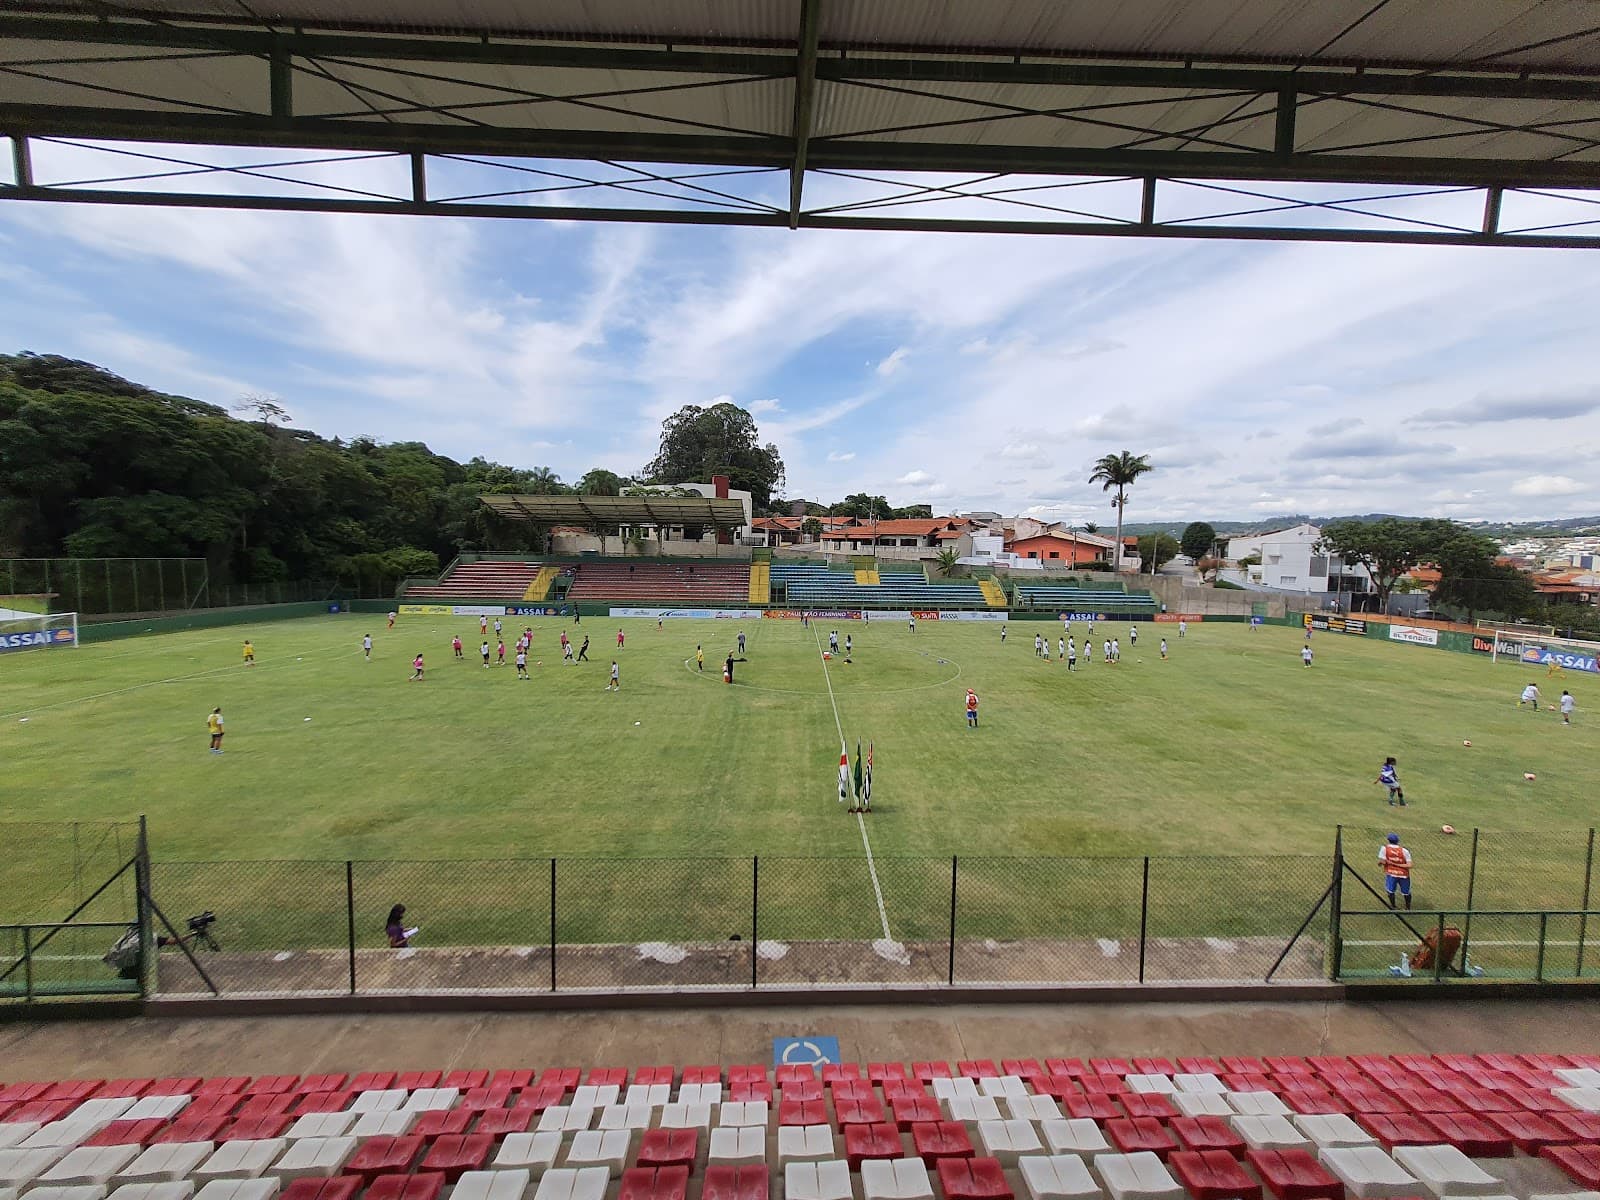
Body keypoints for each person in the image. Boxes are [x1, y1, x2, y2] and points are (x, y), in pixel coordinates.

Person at [1380, 833, 1413, 910]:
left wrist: (1392, 863)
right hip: (1403, 875)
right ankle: (1408, 908)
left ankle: (1393, 907)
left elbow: (1383, 862)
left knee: (1390, 890)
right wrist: (1398, 865)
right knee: (1406, 892)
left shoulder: (1384, 849)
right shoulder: (1404, 851)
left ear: (1388, 840)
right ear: (1398, 841)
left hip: (1391, 873)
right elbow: (1409, 865)